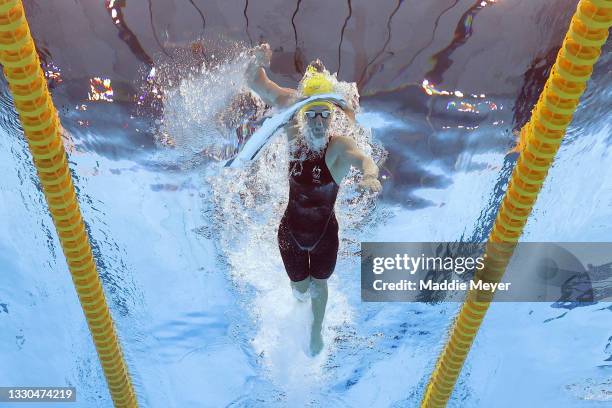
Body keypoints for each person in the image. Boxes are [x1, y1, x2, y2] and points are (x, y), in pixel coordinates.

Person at [245, 44, 382, 356]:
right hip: (290, 233)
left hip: (324, 236)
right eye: (312, 115)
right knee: (301, 289)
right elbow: (255, 82)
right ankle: (299, 307)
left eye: (325, 115)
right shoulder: (292, 128)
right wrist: (256, 62)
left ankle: (316, 331)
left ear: (332, 115)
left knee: (319, 286)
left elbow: (363, 159)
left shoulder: (338, 147)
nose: (319, 123)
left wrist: (370, 175)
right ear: (302, 113)